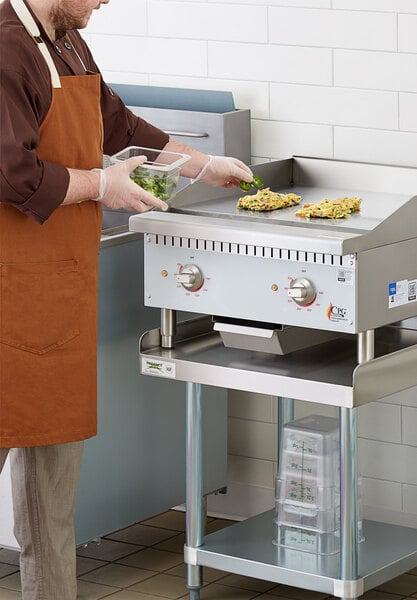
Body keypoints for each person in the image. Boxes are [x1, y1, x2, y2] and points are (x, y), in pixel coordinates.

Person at [0, 1, 254, 598]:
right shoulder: (6, 46)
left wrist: (201, 164)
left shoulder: (64, 40)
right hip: (7, 297)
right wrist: (100, 185)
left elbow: (114, 121)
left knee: (52, 504)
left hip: (54, 298)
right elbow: (11, 173)